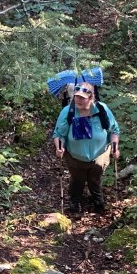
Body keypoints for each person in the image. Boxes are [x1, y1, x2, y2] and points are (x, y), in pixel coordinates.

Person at [52, 79, 120, 216]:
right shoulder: (68, 111)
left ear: (91, 97)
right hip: (74, 156)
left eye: (82, 98)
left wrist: (115, 147)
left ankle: (98, 201)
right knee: (77, 179)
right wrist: (59, 147)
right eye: (76, 97)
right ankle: (74, 203)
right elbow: (58, 134)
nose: (78, 100)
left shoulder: (101, 109)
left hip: (99, 154)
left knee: (95, 178)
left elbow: (114, 130)